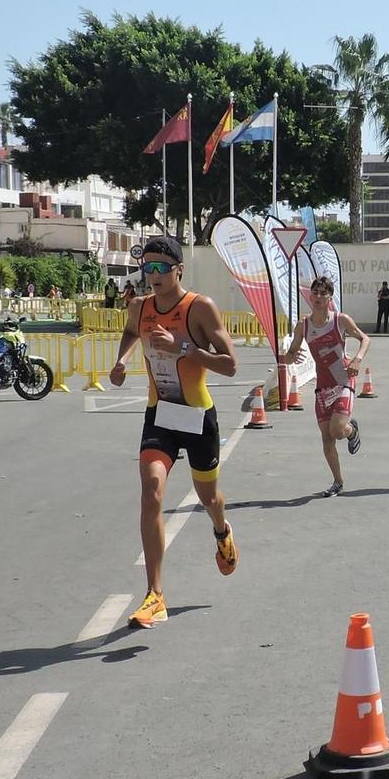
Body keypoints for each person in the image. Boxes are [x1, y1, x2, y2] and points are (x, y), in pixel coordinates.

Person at [107, 235, 239, 628]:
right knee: (151, 492)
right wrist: (121, 360)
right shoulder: (139, 306)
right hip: (160, 413)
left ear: (179, 269)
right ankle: (155, 594)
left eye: (162, 268)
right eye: (148, 267)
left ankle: (222, 530)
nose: (154, 275)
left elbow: (230, 364)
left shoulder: (199, 308)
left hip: (197, 416)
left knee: (209, 498)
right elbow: (132, 332)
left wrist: (182, 347)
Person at [285, 275, 371, 496]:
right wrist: (290, 356)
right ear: (310, 295)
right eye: (315, 292)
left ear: (330, 298)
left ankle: (351, 431)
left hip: (343, 380)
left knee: (338, 430)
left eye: (324, 293)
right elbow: (291, 353)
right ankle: (337, 481)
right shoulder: (302, 326)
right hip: (322, 385)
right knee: (326, 438)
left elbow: (365, 339)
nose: (318, 296)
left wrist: (358, 359)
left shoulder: (340, 320)